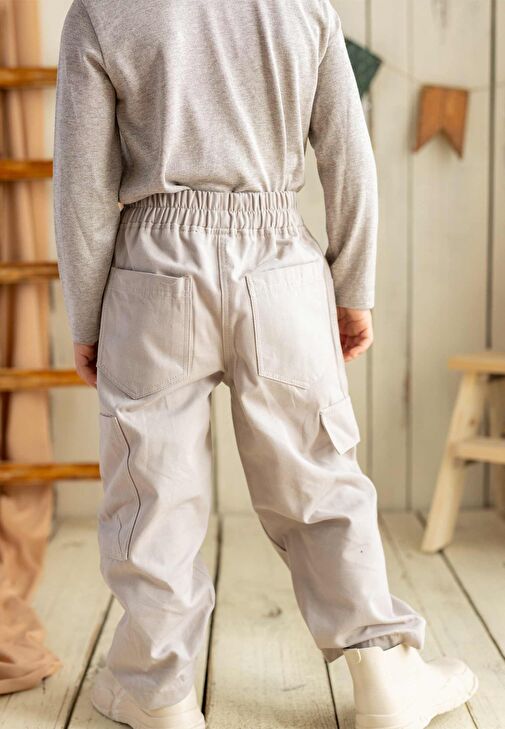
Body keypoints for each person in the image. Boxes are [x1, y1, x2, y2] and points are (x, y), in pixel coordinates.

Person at [52, 1, 478, 728]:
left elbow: (84, 184)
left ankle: (159, 694)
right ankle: (382, 678)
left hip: (154, 268)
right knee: (317, 472)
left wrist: (88, 314)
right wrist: (353, 287)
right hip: (279, 259)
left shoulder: (101, 9)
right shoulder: (302, 6)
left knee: (153, 487)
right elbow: (346, 153)